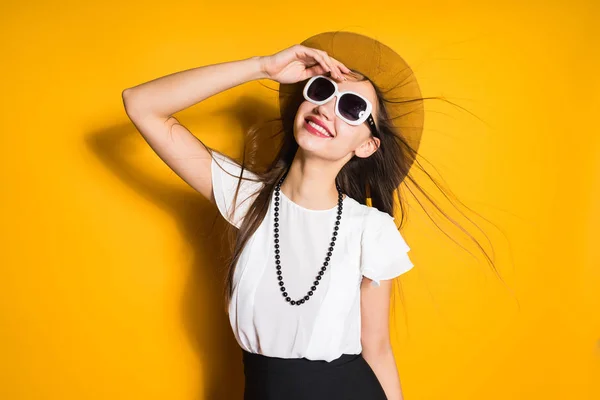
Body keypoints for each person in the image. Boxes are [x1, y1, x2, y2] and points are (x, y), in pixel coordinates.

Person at [122, 31, 427, 399]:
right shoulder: (247, 198)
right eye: (321, 90)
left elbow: (377, 348)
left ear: (367, 144)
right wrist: (261, 67)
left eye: (351, 109)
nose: (327, 108)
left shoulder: (370, 229)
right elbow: (140, 103)